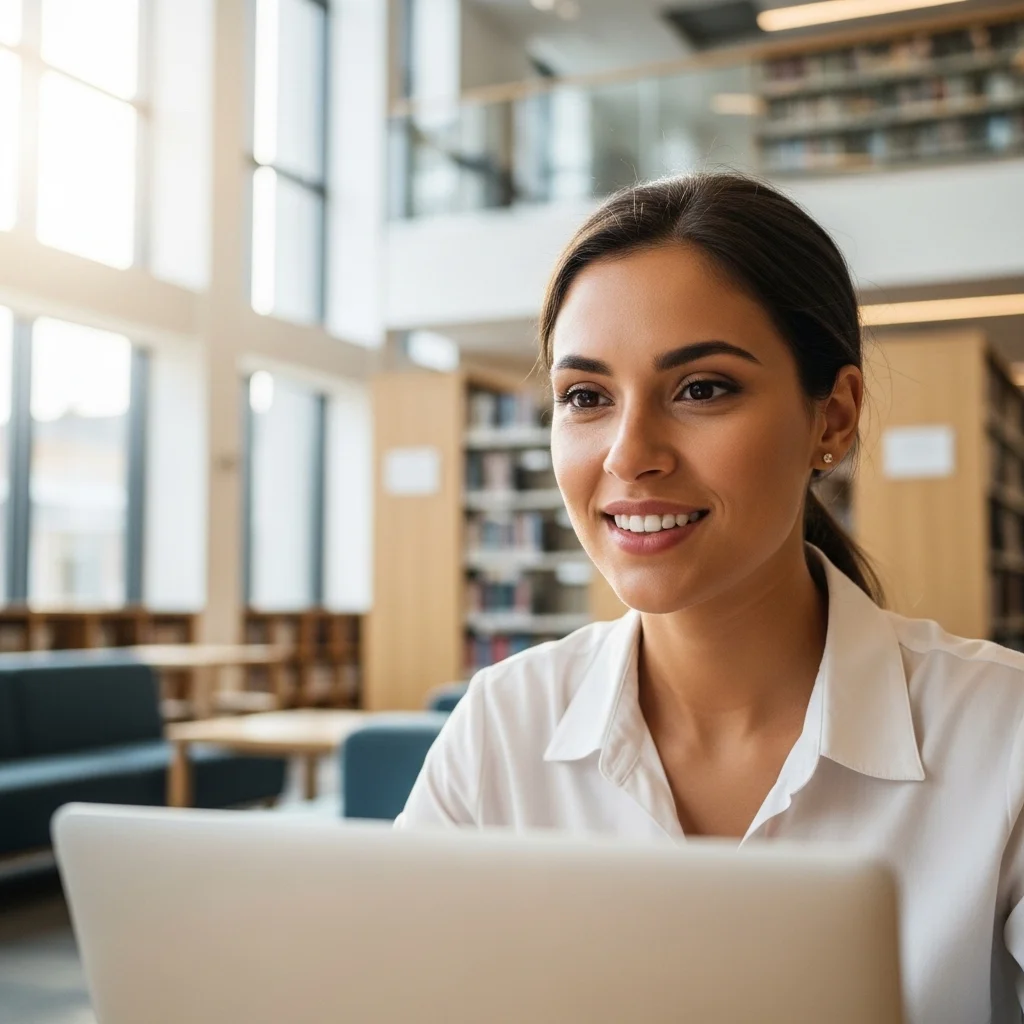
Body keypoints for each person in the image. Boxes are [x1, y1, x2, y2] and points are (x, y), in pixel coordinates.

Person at [395, 172, 1024, 1023]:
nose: (629, 454)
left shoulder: (1004, 736)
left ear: (832, 419)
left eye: (702, 389)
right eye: (585, 397)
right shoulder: (504, 727)